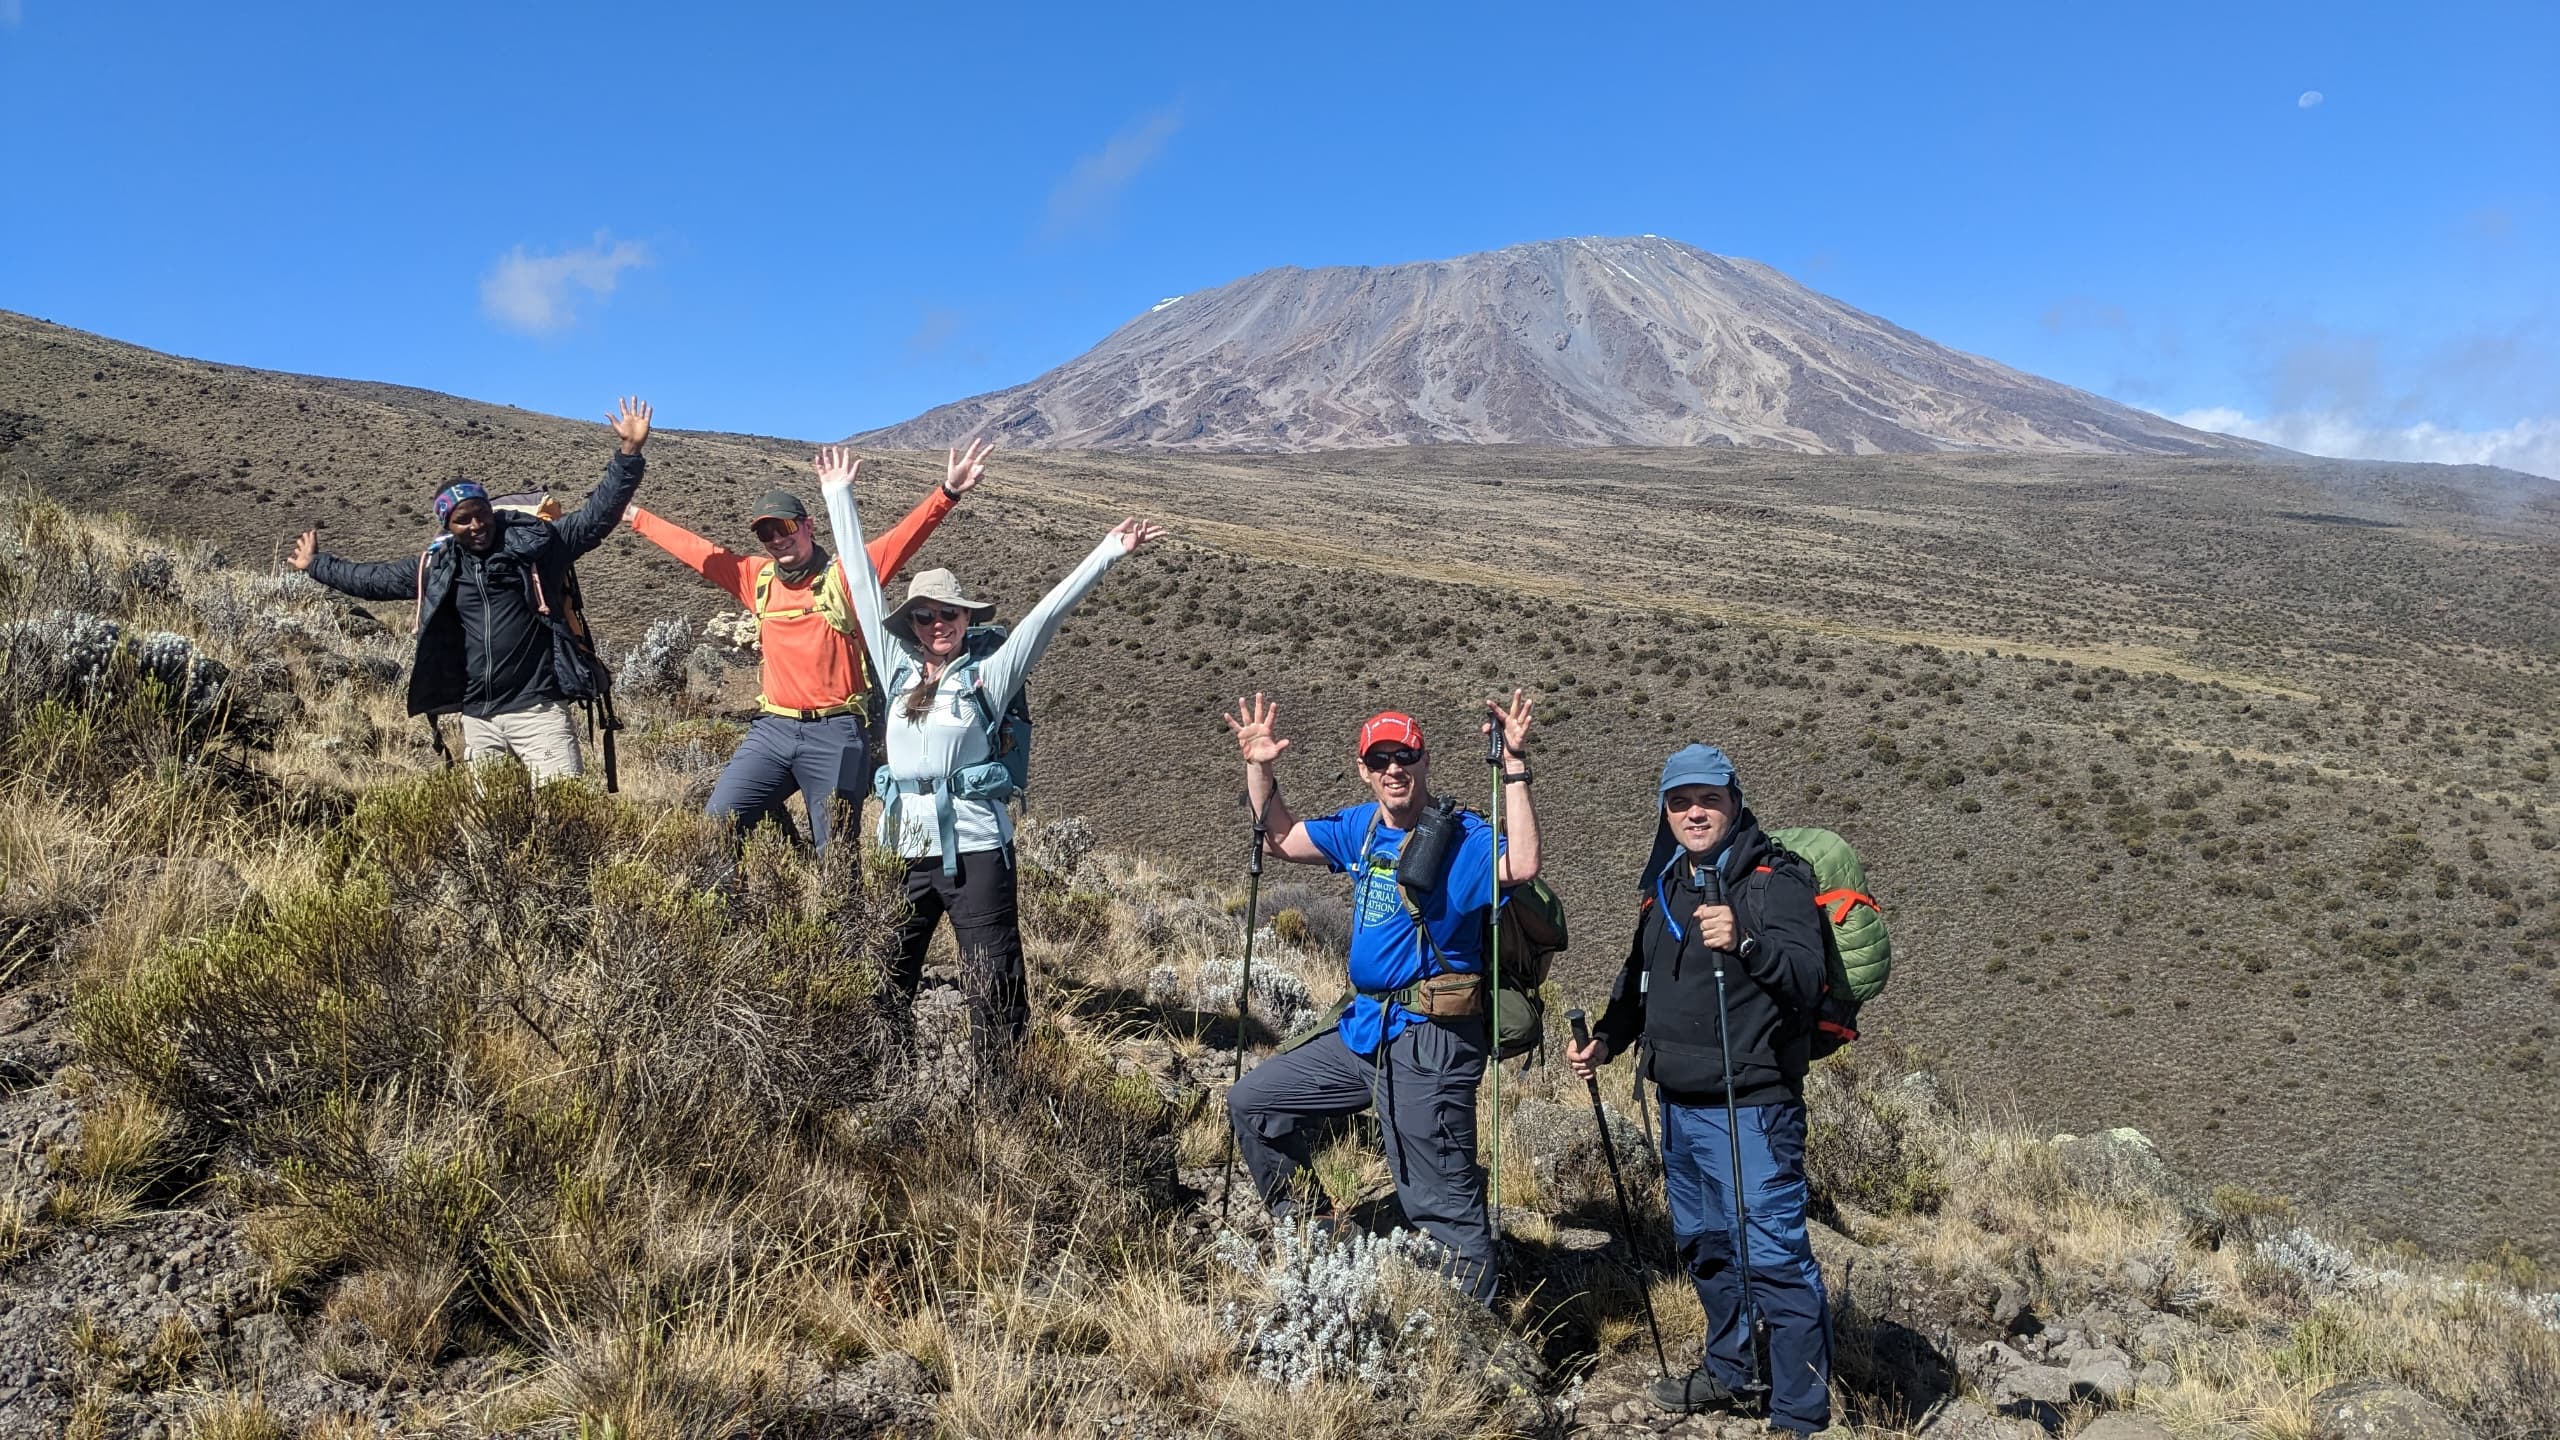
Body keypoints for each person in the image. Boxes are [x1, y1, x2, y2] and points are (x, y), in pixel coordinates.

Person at [815, 443, 1165, 1052]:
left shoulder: (987, 677)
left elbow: (1044, 619)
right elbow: (862, 586)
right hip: (906, 848)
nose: (938, 624)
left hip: (977, 848)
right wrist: (838, 497)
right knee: (886, 974)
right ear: (911, 624)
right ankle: (883, 1072)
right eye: (925, 616)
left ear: (965, 617)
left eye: (948, 613)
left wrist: (1108, 553)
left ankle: (999, 1104)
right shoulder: (896, 668)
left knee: (993, 981)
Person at [1217, 690, 1540, 1306]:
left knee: (1437, 1197)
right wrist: (1259, 765)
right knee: (1255, 1103)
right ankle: (1315, 1239)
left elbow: (1521, 864)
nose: (1395, 768)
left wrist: (1516, 766)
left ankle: (1476, 1340)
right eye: (1382, 758)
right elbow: (1278, 839)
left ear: (1424, 762)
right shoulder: (1361, 829)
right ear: (1365, 769)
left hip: (1430, 1037)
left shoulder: (1461, 836)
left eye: (1407, 756)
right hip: (1366, 1029)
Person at [1565, 743, 1834, 1434]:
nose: (1694, 812)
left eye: (1707, 799)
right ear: (1665, 809)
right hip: (1678, 1106)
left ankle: (1798, 1416)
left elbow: (1805, 978)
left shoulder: (1776, 883)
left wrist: (1746, 943)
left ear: (1734, 800)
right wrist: (1605, 1038)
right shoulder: (1667, 886)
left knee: (1772, 1257)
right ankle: (1728, 1369)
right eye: (1680, 801)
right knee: (1706, 1246)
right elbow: (1638, 984)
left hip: (1753, 1108)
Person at [621, 442, 987, 849]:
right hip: (772, 729)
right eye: (766, 532)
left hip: (837, 731)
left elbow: (902, 539)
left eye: (786, 528)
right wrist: (635, 515)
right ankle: (733, 907)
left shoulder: (846, 578)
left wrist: (947, 493)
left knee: (837, 855)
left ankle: (839, 912)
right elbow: (698, 552)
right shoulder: (755, 578)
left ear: (808, 526)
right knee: (716, 827)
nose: (777, 539)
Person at [289, 398, 652, 781]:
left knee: (563, 819)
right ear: (448, 526)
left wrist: (629, 452)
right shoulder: (439, 566)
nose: (477, 524)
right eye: (464, 520)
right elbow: (373, 581)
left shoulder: (538, 548)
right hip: (478, 717)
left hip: (538, 711)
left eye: (481, 513)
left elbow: (597, 517)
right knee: (488, 829)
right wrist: (316, 565)